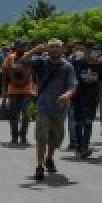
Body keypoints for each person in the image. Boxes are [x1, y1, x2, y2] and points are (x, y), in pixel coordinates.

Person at [31, 39, 76, 181]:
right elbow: (22, 61)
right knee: (41, 138)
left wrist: (67, 94)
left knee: (55, 138)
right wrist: (35, 50)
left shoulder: (68, 67)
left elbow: (73, 85)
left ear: (62, 50)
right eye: (52, 47)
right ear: (47, 49)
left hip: (60, 108)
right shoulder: (41, 62)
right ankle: (39, 166)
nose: (54, 49)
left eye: (57, 47)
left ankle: (49, 158)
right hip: (43, 106)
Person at [2, 39, 43, 146]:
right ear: (16, 47)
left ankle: (23, 135)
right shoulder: (10, 58)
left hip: (28, 91)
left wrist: (37, 89)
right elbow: (5, 75)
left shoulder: (30, 58)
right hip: (13, 91)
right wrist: (4, 90)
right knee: (13, 115)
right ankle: (14, 136)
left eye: (24, 46)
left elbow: (36, 74)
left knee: (26, 115)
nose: (22, 48)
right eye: (20, 46)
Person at [70, 40, 102, 158]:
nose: (89, 50)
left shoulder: (99, 65)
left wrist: (99, 96)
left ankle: (85, 145)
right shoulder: (76, 63)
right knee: (78, 123)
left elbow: (101, 82)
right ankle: (80, 146)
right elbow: (71, 79)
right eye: (87, 48)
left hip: (92, 98)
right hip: (78, 96)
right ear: (83, 49)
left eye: (92, 48)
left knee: (88, 123)